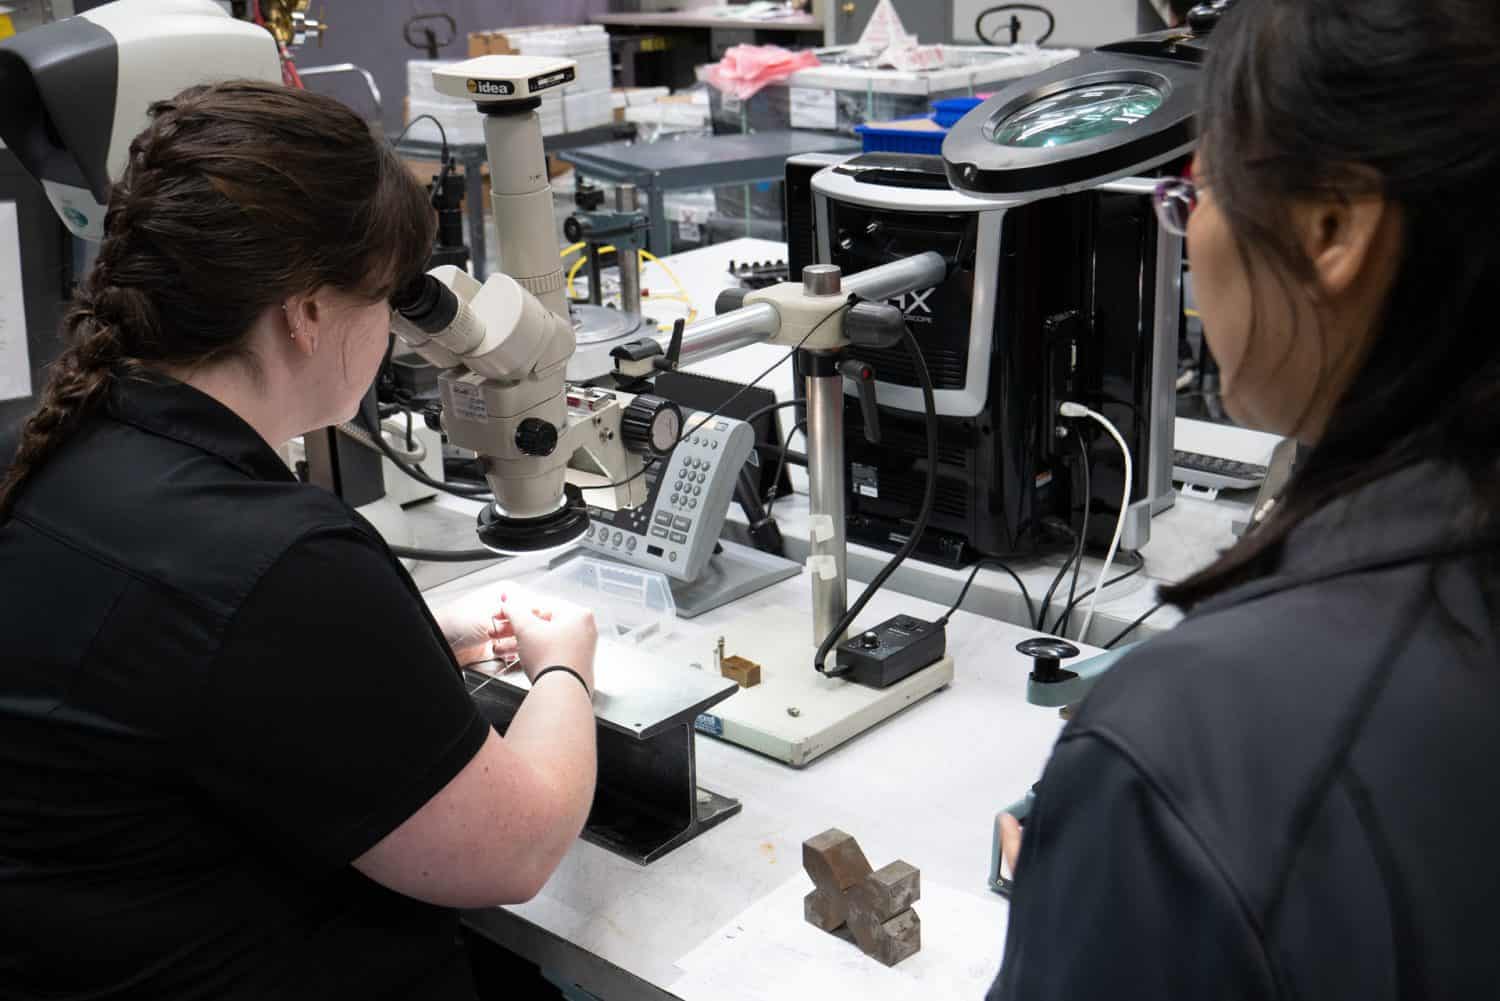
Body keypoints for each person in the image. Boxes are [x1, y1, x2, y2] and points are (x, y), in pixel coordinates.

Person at [0, 81, 599, 1000]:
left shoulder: (50, 450)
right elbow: (516, 851)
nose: (394, 336)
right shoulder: (277, 560)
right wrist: (565, 665)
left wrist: (410, 645)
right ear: (307, 312)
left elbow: (176, 679)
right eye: (386, 300)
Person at [989, 1, 1500, 997]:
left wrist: (1101, 859)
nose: (1188, 231)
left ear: (1331, 226)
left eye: (1198, 187)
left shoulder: (1185, 744)